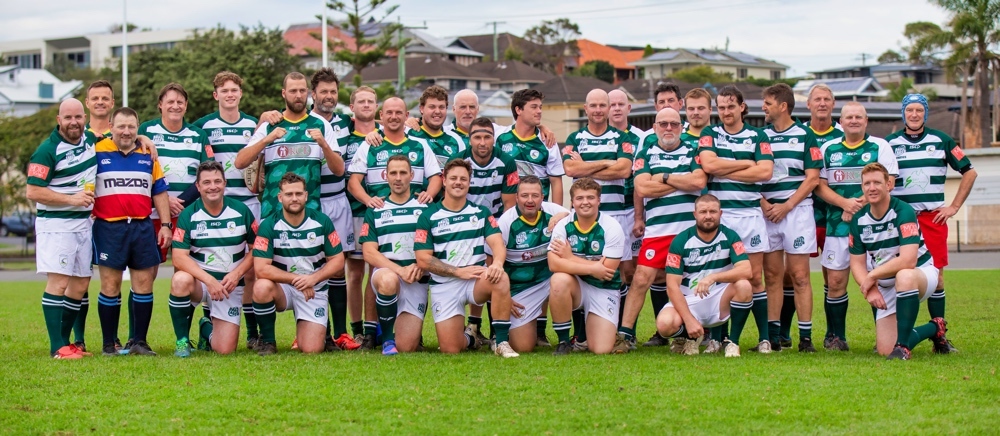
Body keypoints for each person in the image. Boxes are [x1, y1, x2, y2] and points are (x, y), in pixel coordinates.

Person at [348, 96, 442, 348]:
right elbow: (354, 181)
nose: (393, 116)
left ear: (406, 115)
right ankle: (371, 332)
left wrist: (429, 195)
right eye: (388, 112)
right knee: (376, 269)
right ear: (381, 116)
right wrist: (369, 201)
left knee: (417, 261)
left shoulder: (419, 144)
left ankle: (408, 332)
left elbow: (436, 177)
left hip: (414, 213)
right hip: (381, 213)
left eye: (398, 112)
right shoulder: (371, 143)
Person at [885, 93, 976, 353]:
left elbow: (970, 172)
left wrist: (954, 206)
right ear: (903, 113)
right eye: (909, 110)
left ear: (925, 113)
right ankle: (893, 334)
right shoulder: (889, 144)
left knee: (938, 278)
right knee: (893, 274)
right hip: (900, 219)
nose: (914, 114)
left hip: (931, 218)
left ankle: (939, 336)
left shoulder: (942, 140)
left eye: (919, 110)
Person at [614, 107, 706, 353]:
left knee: (690, 281)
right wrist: (680, 180)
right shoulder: (646, 152)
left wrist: (662, 177)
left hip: (688, 231)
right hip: (657, 230)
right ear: (654, 127)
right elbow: (642, 188)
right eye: (663, 124)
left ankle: (690, 334)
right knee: (641, 278)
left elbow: (699, 181)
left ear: (681, 127)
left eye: (674, 124)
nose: (668, 128)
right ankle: (625, 335)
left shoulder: (692, 150)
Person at [414, 159, 519, 358]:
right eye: (453, 178)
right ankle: (471, 338)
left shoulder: (481, 213)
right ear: (444, 180)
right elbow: (423, 259)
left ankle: (501, 342)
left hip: (475, 281)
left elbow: (498, 244)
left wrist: (497, 263)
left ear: (469, 183)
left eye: (463, 179)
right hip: (445, 285)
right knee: (451, 348)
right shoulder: (428, 216)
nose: (458, 182)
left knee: (500, 277)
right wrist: (458, 272)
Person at [815, 101, 898, 351]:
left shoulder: (880, 146)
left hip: (875, 227)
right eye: (849, 117)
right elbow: (818, 185)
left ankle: (883, 338)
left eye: (858, 117)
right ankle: (836, 337)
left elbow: (890, 182)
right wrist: (844, 204)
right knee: (835, 282)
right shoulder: (828, 148)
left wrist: (856, 206)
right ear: (840, 122)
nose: (853, 121)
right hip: (837, 226)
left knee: (879, 281)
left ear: (866, 120)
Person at [698, 85, 774, 353]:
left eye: (731, 106)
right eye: (721, 107)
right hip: (722, 217)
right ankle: (718, 339)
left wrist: (725, 168)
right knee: (721, 277)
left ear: (742, 107)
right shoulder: (710, 133)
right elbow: (709, 165)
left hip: (750, 215)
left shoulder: (758, 135)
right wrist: (746, 164)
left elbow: (765, 172)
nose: (726, 111)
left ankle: (764, 338)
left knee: (754, 278)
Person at [192, 71, 264, 351]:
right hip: (216, 202)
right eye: (224, 90)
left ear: (240, 93)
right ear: (216, 95)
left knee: (251, 269)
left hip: (248, 202)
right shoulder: (204, 126)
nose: (230, 94)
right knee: (214, 263)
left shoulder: (253, 124)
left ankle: (253, 333)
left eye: (234, 90)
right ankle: (210, 323)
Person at [92, 107, 172, 357]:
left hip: (141, 225)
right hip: (109, 227)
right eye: (121, 126)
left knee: (144, 283)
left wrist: (166, 225)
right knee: (110, 284)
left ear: (138, 128)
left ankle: (139, 342)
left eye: (131, 127)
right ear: (111, 127)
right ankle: (108, 344)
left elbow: (159, 191)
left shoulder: (148, 154)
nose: (126, 132)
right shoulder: (96, 151)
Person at [848, 163, 949, 360]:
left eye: (877, 182)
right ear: (862, 187)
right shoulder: (858, 219)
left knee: (904, 276)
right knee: (885, 349)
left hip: (920, 274)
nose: (872, 188)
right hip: (887, 284)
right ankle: (935, 327)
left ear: (888, 185)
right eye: (867, 183)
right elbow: (857, 264)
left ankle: (903, 347)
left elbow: (908, 260)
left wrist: (872, 276)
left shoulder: (903, 211)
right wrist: (871, 289)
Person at [562, 89, 634, 348]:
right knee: (579, 269)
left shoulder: (622, 137)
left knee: (621, 273)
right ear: (586, 108)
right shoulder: (574, 138)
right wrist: (607, 161)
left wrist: (588, 166)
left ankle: (624, 333)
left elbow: (624, 169)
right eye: (593, 105)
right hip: (582, 215)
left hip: (616, 214)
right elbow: (570, 168)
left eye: (603, 105)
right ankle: (580, 335)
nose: (598, 110)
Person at [27, 98, 97, 359]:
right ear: (59, 120)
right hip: (56, 226)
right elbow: (33, 191)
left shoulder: (90, 140)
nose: (73, 122)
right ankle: (57, 347)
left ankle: (66, 343)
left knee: (80, 284)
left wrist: (144, 140)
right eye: (68, 118)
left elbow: (119, 134)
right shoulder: (47, 150)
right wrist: (72, 199)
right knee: (58, 283)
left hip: (83, 225)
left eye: (78, 117)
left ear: (85, 118)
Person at [251, 173, 346, 355]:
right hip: (285, 287)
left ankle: (322, 331)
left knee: (312, 349)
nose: (294, 198)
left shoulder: (322, 221)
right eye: (289, 194)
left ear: (306, 195)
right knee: (261, 287)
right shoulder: (269, 225)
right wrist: (298, 280)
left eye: (298, 194)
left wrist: (313, 279)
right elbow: (261, 268)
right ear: (280, 197)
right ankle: (268, 341)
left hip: (313, 288)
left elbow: (338, 260)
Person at [168, 161, 256, 356]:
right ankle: (182, 341)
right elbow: (178, 257)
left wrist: (236, 275)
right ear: (198, 187)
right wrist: (208, 280)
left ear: (225, 183)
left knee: (225, 350)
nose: (213, 186)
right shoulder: (188, 215)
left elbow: (256, 249)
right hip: (201, 283)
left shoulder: (242, 211)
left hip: (228, 286)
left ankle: (205, 329)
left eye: (217, 181)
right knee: (180, 279)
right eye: (206, 182)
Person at [759, 83, 823, 352]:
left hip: (796, 212)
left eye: (768, 103)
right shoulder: (760, 136)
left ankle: (805, 338)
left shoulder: (806, 135)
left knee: (799, 276)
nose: (763, 107)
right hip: (767, 213)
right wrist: (764, 204)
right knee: (772, 275)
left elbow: (813, 179)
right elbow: (752, 176)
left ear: (783, 106)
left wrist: (786, 206)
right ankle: (774, 337)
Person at [779, 84, 844, 347]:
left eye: (827, 99)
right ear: (808, 104)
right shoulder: (800, 132)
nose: (822, 103)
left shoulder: (843, 134)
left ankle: (832, 333)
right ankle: (783, 331)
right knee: (790, 274)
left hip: (833, 216)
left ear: (833, 103)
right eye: (817, 99)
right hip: (803, 212)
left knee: (832, 275)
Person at [234, 72, 345, 221]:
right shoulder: (270, 125)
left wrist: (324, 145)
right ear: (283, 93)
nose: (298, 95)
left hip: (309, 215)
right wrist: (266, 140)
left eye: (302, 90)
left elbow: (339, 170)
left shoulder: (321, 124)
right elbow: (240, 162)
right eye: (293, 91)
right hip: (273, 214)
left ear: (308, 92)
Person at [655, 194, 754, 358]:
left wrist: (713, 277)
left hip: (719, 298)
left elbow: (746, 270)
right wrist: (688, 320)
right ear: (695, 214)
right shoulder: (681, 241)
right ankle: (691, 337)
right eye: (703, 212)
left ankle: (732, 343)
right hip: (690, 300)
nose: (708, 216)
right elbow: (672, 286)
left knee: (744, 285)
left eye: (713, 211)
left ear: (720, 213)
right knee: (664, 325)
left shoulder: (730, 236)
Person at [307, 68, 360, 351]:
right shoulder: (302, 121)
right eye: (323, 92)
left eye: (333, 92)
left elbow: (371, 122)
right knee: (313, 266)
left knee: (337, 268)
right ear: (312, 94)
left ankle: (341, 333)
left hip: (338, 200)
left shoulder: (346, 122)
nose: (329, 96)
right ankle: (319, 331)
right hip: (311, 202)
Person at [489, 176, 570, 354]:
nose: (530, 200)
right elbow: (490, 260)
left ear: (542, 197)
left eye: (535, 195)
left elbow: (580, 215)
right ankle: (501, 336)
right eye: (525, 195)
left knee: (565, 277)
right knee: (523, 346)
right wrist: (504, 296)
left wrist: (564, 215)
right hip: (522, 287)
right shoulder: (506, 222)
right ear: (517, 197)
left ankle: (573, 338)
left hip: (551, 279)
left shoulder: (553, 211)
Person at [547, 178, 626, 355]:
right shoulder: (563, 225)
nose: (585, 202)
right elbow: (553, 263)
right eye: (580, 198)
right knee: (558, 280)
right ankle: (564, 342)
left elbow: (606, 270)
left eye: (590, 197)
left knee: (601, 349)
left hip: (603, 288)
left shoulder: (612, 226)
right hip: (577, 286)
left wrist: (569, 258)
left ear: (599, 200)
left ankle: (596, 333)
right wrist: (592, 268)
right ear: (572, 202)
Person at [359, 155, 429, 355]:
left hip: (415, 278)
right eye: (393, 173)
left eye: (403, 173)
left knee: (407, 347)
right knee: (389, 280)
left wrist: (419, 266)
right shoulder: (376, 209)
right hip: (388, 273)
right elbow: (368, 252)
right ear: (386, 176)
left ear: (411, 175)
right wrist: (399, 270)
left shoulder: (425, 208)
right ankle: (387, 340)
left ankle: (391, 329)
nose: (398, 178)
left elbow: (434, 247)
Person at [140, 83, 213, 264]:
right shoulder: (146, 131)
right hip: (153, 215)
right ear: (160, 104)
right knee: (148, 271)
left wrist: (180, 202)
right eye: (170, 102)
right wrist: (164, 201)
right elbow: (137, 173)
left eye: (180, 102)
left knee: (185, 271)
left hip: (188, 215)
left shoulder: (199, 135)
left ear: (186, 105)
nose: (175, 106)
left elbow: (208, 175)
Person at [341, 86, 381, 346]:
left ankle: (377, 327)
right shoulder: (344, 137)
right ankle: (357, 328)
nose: (366, 105)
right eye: (361, 101)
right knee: (355, 273)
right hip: (355, 211)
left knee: (378, 270)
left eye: (370, 101)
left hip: (383, 214)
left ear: (376, 106)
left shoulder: (386, 133)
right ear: (352, 107)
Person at [607, 89, 646, 337]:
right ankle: (609, 326)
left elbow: (633, 172)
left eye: (621, 104)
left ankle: (627, 330)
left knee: (632, 271)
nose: (616, 108)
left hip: (632, 209)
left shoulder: (640, 137)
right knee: (611, 270)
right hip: (606, 209)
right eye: (612, 105)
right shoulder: (599, 136)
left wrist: (640, 216)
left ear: (629, 108)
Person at [496, 89, 564, 205]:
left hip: (537, 212)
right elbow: (473, 128)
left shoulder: (548, 141)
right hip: (505, 211)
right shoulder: (499, 136)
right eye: (534, 107)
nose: (539, 111)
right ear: (518, 110)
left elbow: (556, 183)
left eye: (540, 107)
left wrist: (557, 213)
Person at [451, 117, 519, 217]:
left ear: (493, 139)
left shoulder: (508, 162)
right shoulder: (456, 162)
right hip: (464, 218)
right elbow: (450, 200)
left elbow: (509, 205)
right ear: (469, 140)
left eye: (487, 137)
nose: (482, 143)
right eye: (477, 137)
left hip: (496, 219)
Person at [408, 85, 467, 169]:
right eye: (432, 107)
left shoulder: (456, 140)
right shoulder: (408, 134)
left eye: (441, 107)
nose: (437, 111)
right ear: (421, 109)